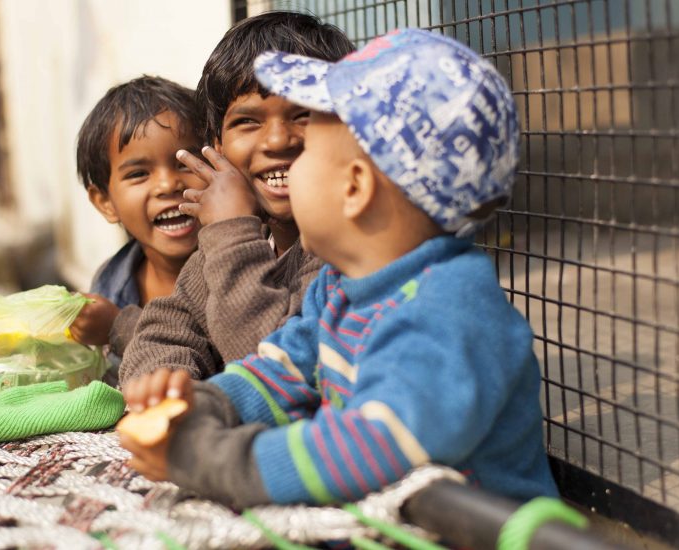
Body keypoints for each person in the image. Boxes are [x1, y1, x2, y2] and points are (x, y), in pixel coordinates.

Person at [119, 28, 559, 508]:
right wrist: (201, 407)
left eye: (308, 151)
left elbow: (365, 448)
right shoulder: (342, 284)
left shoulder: (448, 313)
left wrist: (211, 460)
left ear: (355, 188)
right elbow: (279, 371)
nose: (285, 148)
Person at [118, 12, 355, 383]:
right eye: (248, 121)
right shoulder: (244, 238)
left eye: (303, 115)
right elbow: (167, 330)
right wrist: (165, 386)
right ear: (217, 148)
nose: (278, 141)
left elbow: (278, 368)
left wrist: (231, 232)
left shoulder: (353, 250)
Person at [68, 76, 203, 363]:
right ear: (106, 203)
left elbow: (217, 361)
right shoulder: (112, 282)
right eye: (139, 174)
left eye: (185, 163)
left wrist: (119, 326)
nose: (168, 185)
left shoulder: (236, 267)